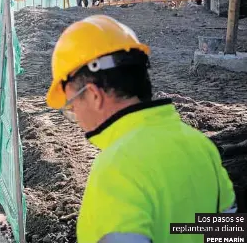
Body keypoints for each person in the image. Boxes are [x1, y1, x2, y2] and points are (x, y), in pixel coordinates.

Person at [45, 14, 237, 243]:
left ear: (94, 95)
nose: (75, 116)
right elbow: (226, 232)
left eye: (72, 106)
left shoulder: (117, 169)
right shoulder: (201, 146)